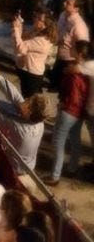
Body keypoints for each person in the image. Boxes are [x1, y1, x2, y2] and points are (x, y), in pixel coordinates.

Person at [47, 40, 88, 185]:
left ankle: (55, 176)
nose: (70, 48)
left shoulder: (74, 73)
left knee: (58, 141)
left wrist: (63, 104)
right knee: (75, 139)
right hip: (80, 111)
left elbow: (73, 96)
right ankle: (72, 168)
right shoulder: (86, 70)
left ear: (80, 53)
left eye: (73, 47)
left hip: (69, 111)